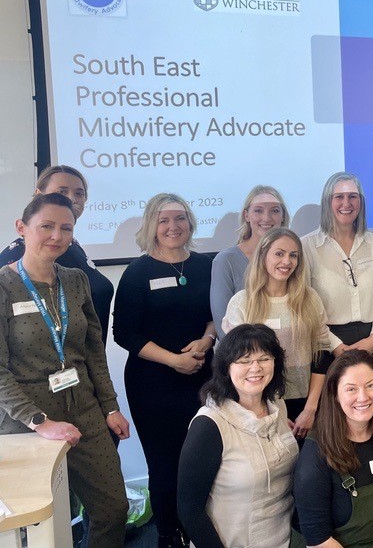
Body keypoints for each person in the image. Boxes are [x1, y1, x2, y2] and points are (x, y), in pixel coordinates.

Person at [0, 193, 128, 547]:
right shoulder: (3, 286)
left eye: (66, 228)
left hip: (84, 409)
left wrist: (111, 406)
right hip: (26, 422)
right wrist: (40, 422)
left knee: (113, 509)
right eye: (46, 226)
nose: (56, 236)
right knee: (39, 527)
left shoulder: (74, 280)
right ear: (22, 229)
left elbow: (93, 351)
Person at [113, 193, 217, 548]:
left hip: (203, 376)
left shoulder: (205, 264)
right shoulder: (137, 271)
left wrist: (206, 341)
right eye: (163, 220)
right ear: (151, 226)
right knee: (163, 461)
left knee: (201, 457)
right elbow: (125, 333)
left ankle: (197, 527)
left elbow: (215, 315)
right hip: (152, 382)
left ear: (190, 222)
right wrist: (174, 360)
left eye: (180, 218)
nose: (173, 227)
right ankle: (169, 533)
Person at [177, 324, 299, 548]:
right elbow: (189, 509)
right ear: (226, 368)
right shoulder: (209, 425)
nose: (256, 368)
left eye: (264, 358)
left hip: (286, 538)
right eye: (244, 361)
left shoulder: (278, 406)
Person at [223, 228, 342, 436]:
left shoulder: (310, 299)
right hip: (258, 407)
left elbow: (322, 354)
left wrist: (311, 408)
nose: (287, 261)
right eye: (279, 253)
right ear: (263, 256)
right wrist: (270, 412)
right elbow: (235, 363)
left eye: (293, 255)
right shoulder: (242, 303)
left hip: (306, 405)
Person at [294, 350, 373, 548]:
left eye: (370, 386)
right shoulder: (315, 456)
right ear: (335, 395)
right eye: (351, 389)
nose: (363, 397)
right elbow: (318, 539)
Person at [0, 166, 115, 342]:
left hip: (84, 362)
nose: (72, 199)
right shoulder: (17, 255)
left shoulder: (72, 247)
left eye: (79, 193)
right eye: (62, 191)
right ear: (39, 195)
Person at [302, 172, 373, 360]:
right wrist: (335, 346)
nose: (346, 203)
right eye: (339, 197)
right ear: (327, 202)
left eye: (353, 196)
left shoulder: (372, 242)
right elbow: (305, 305)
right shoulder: (307, 246)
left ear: (361, 202)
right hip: (328, 345)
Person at [210, 185, 289, 338]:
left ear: (283, 216)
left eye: (275, 210)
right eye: (258, 210)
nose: (266, 218)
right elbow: (223, 325)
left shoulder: (294, 256)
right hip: (244, 356)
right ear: (246, 215)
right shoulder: (226, 260)